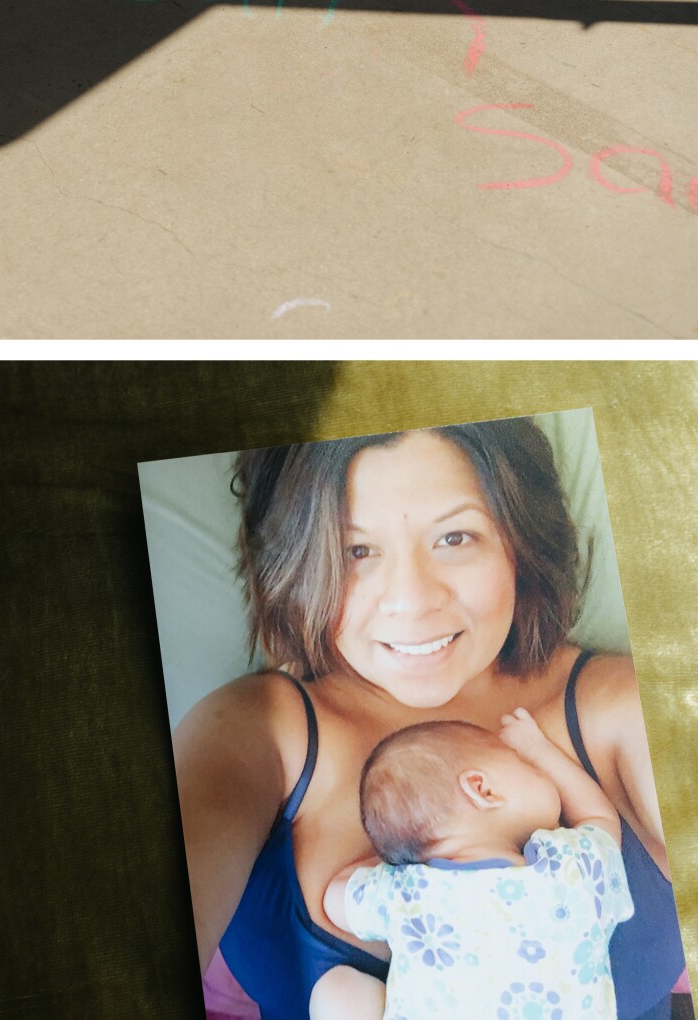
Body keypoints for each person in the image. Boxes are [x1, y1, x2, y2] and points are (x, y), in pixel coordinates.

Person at [171, 419, 683, 1020]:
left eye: (455, 538)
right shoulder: (254, 731)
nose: (412, 601)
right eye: (355, 550)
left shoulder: (623, 703)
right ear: (301, 564)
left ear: (520, 541)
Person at [307, 708, 633, 1020]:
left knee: (336, 990)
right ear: (483, 789)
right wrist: (540, 750)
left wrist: (400, 855)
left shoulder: (405, 890)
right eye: (524, 764)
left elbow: (334, 900)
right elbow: (598, 818)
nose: (536, 769)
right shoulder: (570, 869)